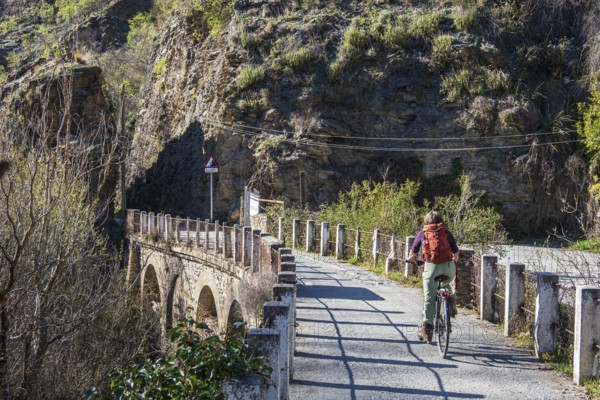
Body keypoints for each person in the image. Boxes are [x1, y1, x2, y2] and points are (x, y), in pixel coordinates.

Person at [407, 211, 460, 342]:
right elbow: (456, 254)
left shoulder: (422, 233)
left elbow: (412, 254)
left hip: (431, 269)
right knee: (446, 283)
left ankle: (426, 328)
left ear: (426, 222)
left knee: (429, 297)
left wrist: (411, 259)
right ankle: (451, 300)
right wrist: (451, 263)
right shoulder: (447, 233)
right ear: (441, 220)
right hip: (449, 268)